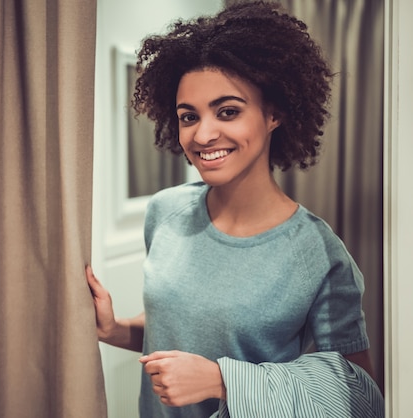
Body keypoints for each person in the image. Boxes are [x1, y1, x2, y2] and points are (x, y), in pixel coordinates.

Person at [86, 1, 384, 417]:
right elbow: (177, 329)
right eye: (189, 116)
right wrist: (114, 330)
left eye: (228, 111)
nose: (204, 134)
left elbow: (360, 395)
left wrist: (224, 382)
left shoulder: (319, 254)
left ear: (274, 113)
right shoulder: (165, 212)